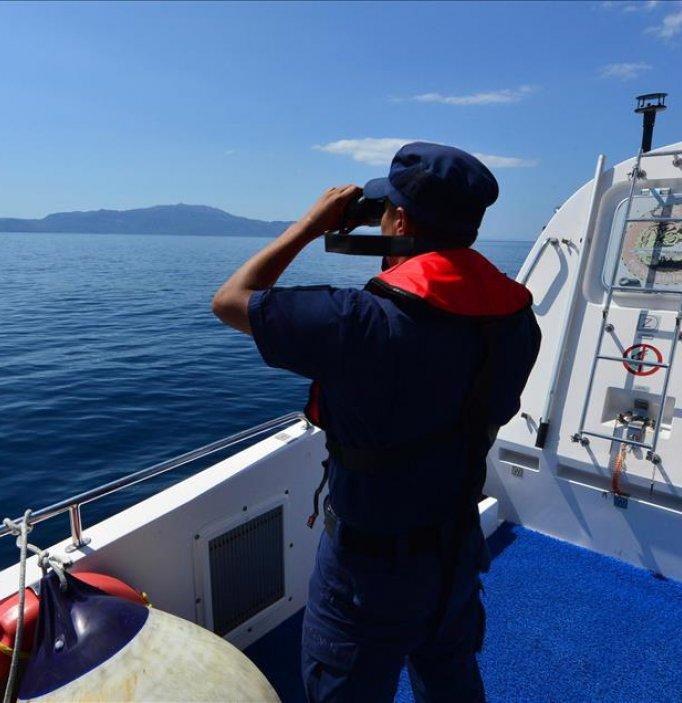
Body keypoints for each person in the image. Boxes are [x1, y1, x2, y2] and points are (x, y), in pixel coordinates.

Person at [211, 143, 541, 702]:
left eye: (385, 211)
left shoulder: (360, 322)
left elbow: (230, 300)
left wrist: (309, 226)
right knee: (449, 677)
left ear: (401, 221)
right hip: (453, 553)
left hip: (367, 575)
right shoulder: (515, 321)